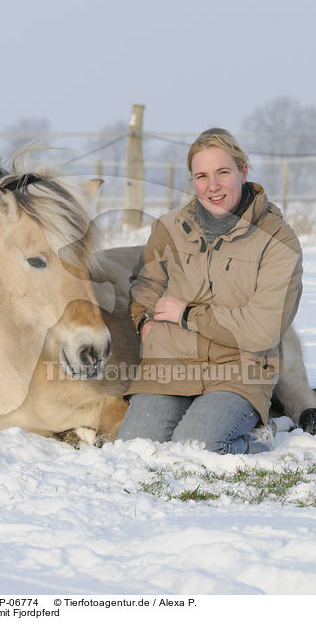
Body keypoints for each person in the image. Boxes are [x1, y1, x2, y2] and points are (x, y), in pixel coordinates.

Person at [117, 128, 303, 454]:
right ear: (192, 180)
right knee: (134, 449)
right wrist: (144, 322)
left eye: (223, 172)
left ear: (243, 172)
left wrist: (188, 314)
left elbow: (263, 330)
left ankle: (262, 437)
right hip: (170, 366)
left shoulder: (278, 241)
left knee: (198, 447)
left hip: (239, 371)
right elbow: (145, 285)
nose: (212, 186)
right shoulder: (169, 228)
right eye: (201, 176)